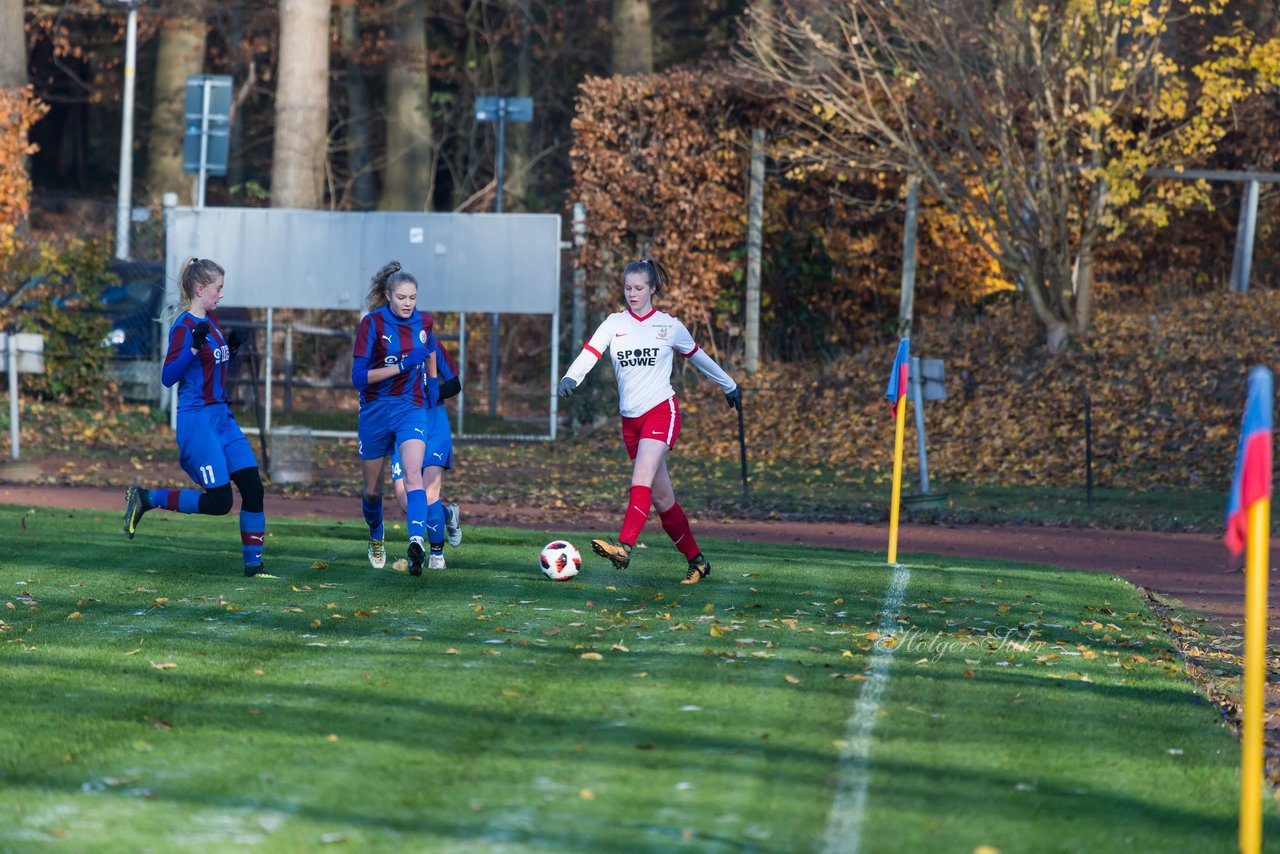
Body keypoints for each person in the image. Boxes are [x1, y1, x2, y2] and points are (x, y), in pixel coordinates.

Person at [557, 257, 740, 585]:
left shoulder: (668, 326)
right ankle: (697, 562)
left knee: (641, 474)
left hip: (661, 412)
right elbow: (591, 352)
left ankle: (624, 546)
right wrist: (571, 377)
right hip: (631, 422)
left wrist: (729, 385)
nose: (632, 293)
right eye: (628, 288)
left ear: (653, 288)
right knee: (662, 499)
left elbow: (700, 358)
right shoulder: (614, 323)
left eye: (639, 288)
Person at [123, 257, 270, 578]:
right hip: (198, 423)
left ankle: (254, 567)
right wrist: (191, 348)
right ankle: (146, 498)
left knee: (253, 489)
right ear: (200, 289)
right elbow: (168, 377)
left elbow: (210, 370)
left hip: (222, 418)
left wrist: (229, 349)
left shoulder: (211, 322)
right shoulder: (184, 327)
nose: (221, 294)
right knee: (220, 502)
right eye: (217, 288)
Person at [351, 261, 436, 577]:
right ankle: (376, 536)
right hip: (374, 409)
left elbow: (432, 351)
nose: (408, 303)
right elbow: (358, 378)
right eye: (401, 297)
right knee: (372, 490)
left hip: (410, 407)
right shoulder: (371, 325)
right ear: (388, 295)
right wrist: (401, 366)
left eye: (412, 297)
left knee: (414, 474)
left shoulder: (425, 321)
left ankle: (416, 542)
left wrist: (434, 384)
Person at [389, 337, 463, 570]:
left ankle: (436, 555)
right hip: (401, 426)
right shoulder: (382, 347)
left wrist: (426, 392)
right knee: (405, 501)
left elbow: (454, 384)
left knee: (429, 494)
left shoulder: (430, 344)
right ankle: (446, 515)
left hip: (433, 426)